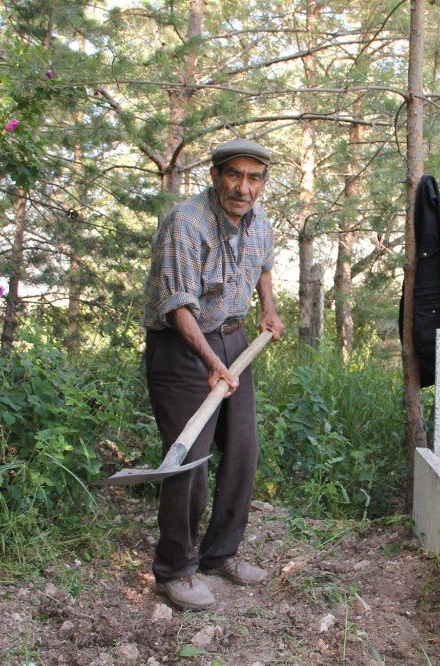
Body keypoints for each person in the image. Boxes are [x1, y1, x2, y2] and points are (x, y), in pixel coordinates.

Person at [141, 138, 285, 610]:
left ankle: (220, 553)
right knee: (190, 462)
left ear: (262, 182)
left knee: (243, 450)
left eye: (254, 177)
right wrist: (210, 362)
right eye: (235, 175)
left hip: (234, 341)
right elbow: (178, 304)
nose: (244, 187)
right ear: (216, 175)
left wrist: (268, 309)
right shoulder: (186, 222)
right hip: (183, 348)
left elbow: (262, 266)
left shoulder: (260, 221)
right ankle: (174, 569)